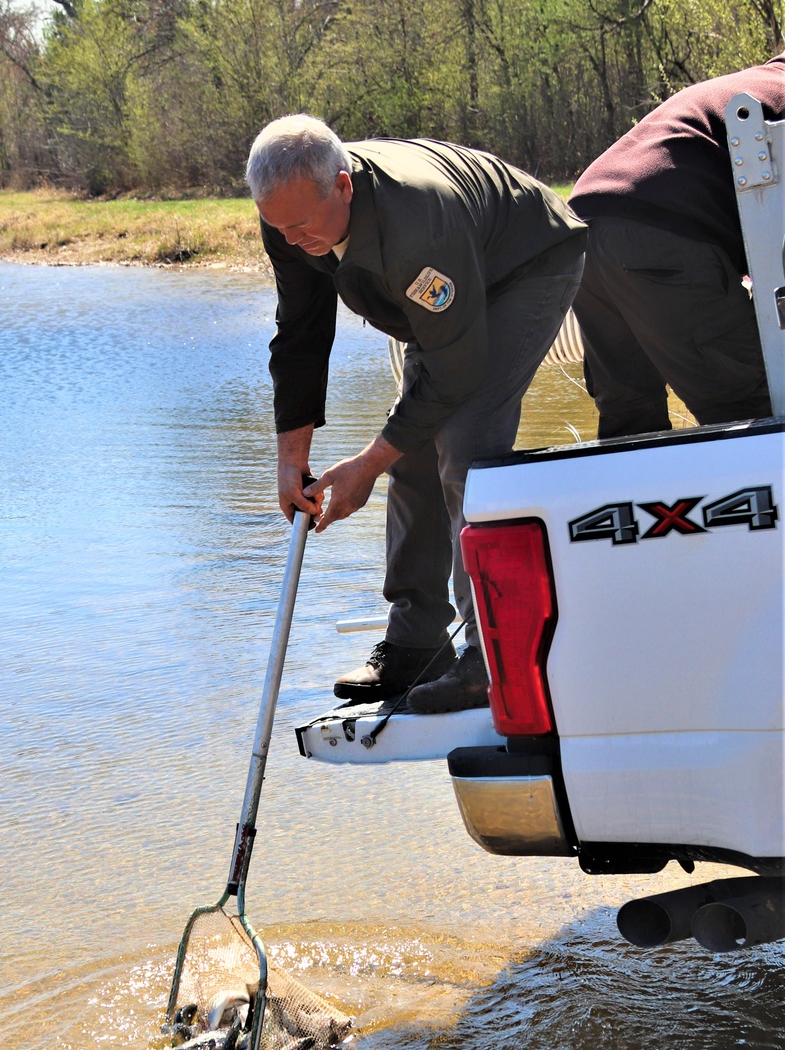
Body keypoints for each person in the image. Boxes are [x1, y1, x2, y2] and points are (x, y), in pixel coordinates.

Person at [247, 115, 586, 714]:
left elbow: (458, 367)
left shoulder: (417, 224)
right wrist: (290, 460)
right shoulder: (291, 216)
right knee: (413, 450)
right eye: (279, 227)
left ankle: (487, 661)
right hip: (444, 293)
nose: (292, 240)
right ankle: (414, 645)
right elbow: (299, 333)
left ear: (344, 186)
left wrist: (369, 462)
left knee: (463, 444)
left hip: (525, 264)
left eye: (301, 225)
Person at [569, 55, 785, 439]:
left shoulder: (759, 83)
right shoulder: (777, 99)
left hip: (582, 224)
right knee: (754, 414)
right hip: (660, 232)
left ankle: (629, 494)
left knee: (629, 420)